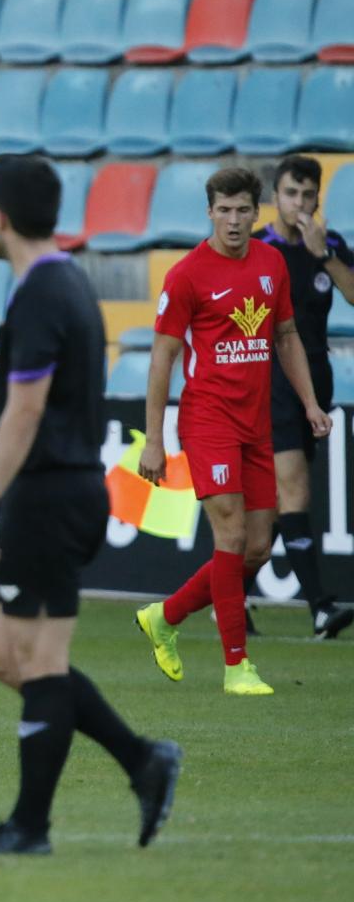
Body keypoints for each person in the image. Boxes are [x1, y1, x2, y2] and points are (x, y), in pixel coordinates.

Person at [0, 156, 182, 857]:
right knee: (3, 653)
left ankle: (30, 827)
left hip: (51, 491)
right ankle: (142, 759)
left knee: (40, 658)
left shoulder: (45, 290)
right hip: (53, 489)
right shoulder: (60, 281)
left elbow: (25, 406)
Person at [135, 167, 331, 696]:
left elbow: (286, 336)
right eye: (224, 210)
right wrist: (154, 439)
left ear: (256, 211)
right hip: (207, 421)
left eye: (244, 209)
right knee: (231, 534)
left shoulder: (271, 264)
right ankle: (237, 665)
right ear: (210, 213)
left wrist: (311, 403)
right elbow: (162, 359)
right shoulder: (187, 275)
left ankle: (163, 617)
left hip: (257, 422)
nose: (234, 220)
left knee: (258, 548)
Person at [256, 156, 354, 638]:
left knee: (280, 502)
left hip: (316, 381)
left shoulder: (328, 245)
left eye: (308, 195)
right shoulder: (256, 248)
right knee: (295, 490)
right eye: (291, 193)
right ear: (276, 196)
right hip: (270, 381)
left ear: (318, 200)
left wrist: (326, 257)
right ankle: (318, 607)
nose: (299, 203)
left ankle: (221, 593)